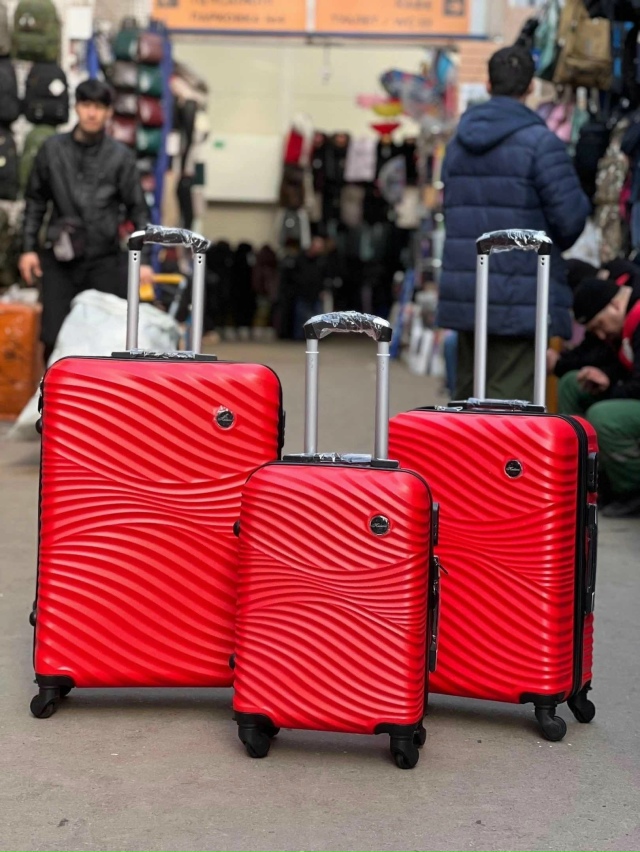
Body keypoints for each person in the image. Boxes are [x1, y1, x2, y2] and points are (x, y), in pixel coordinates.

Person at [437, 45, 591, 401]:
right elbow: (570, 219)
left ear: (488, 84)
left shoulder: (458, 144)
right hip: (522, 295)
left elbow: (452, 209)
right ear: (531, 87)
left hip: (468, 290)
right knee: (509, 408)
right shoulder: (542, 144)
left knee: (468, 400)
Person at [19, 79, 153, 363]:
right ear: (77, 107)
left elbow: (139, 211)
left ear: (108, 112)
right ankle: (54, 391)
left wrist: (144, 261)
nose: (92, 113)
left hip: (104, 260)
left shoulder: (120, 158)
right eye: (86, 105)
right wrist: (28, 248)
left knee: (106, 339)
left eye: (99, 107)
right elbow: (35, 202)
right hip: (60, 259)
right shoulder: (52, 150)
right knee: (54, 337)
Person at [552, 276, 640, 517]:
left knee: (604, 416)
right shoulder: (623, 324)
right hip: (629, 391)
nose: (601, 335)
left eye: (600, 325)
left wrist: (610, 388)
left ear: (615, 305)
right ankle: (583, 475)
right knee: (573, 383)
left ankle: (631, 489)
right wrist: (606, 378)